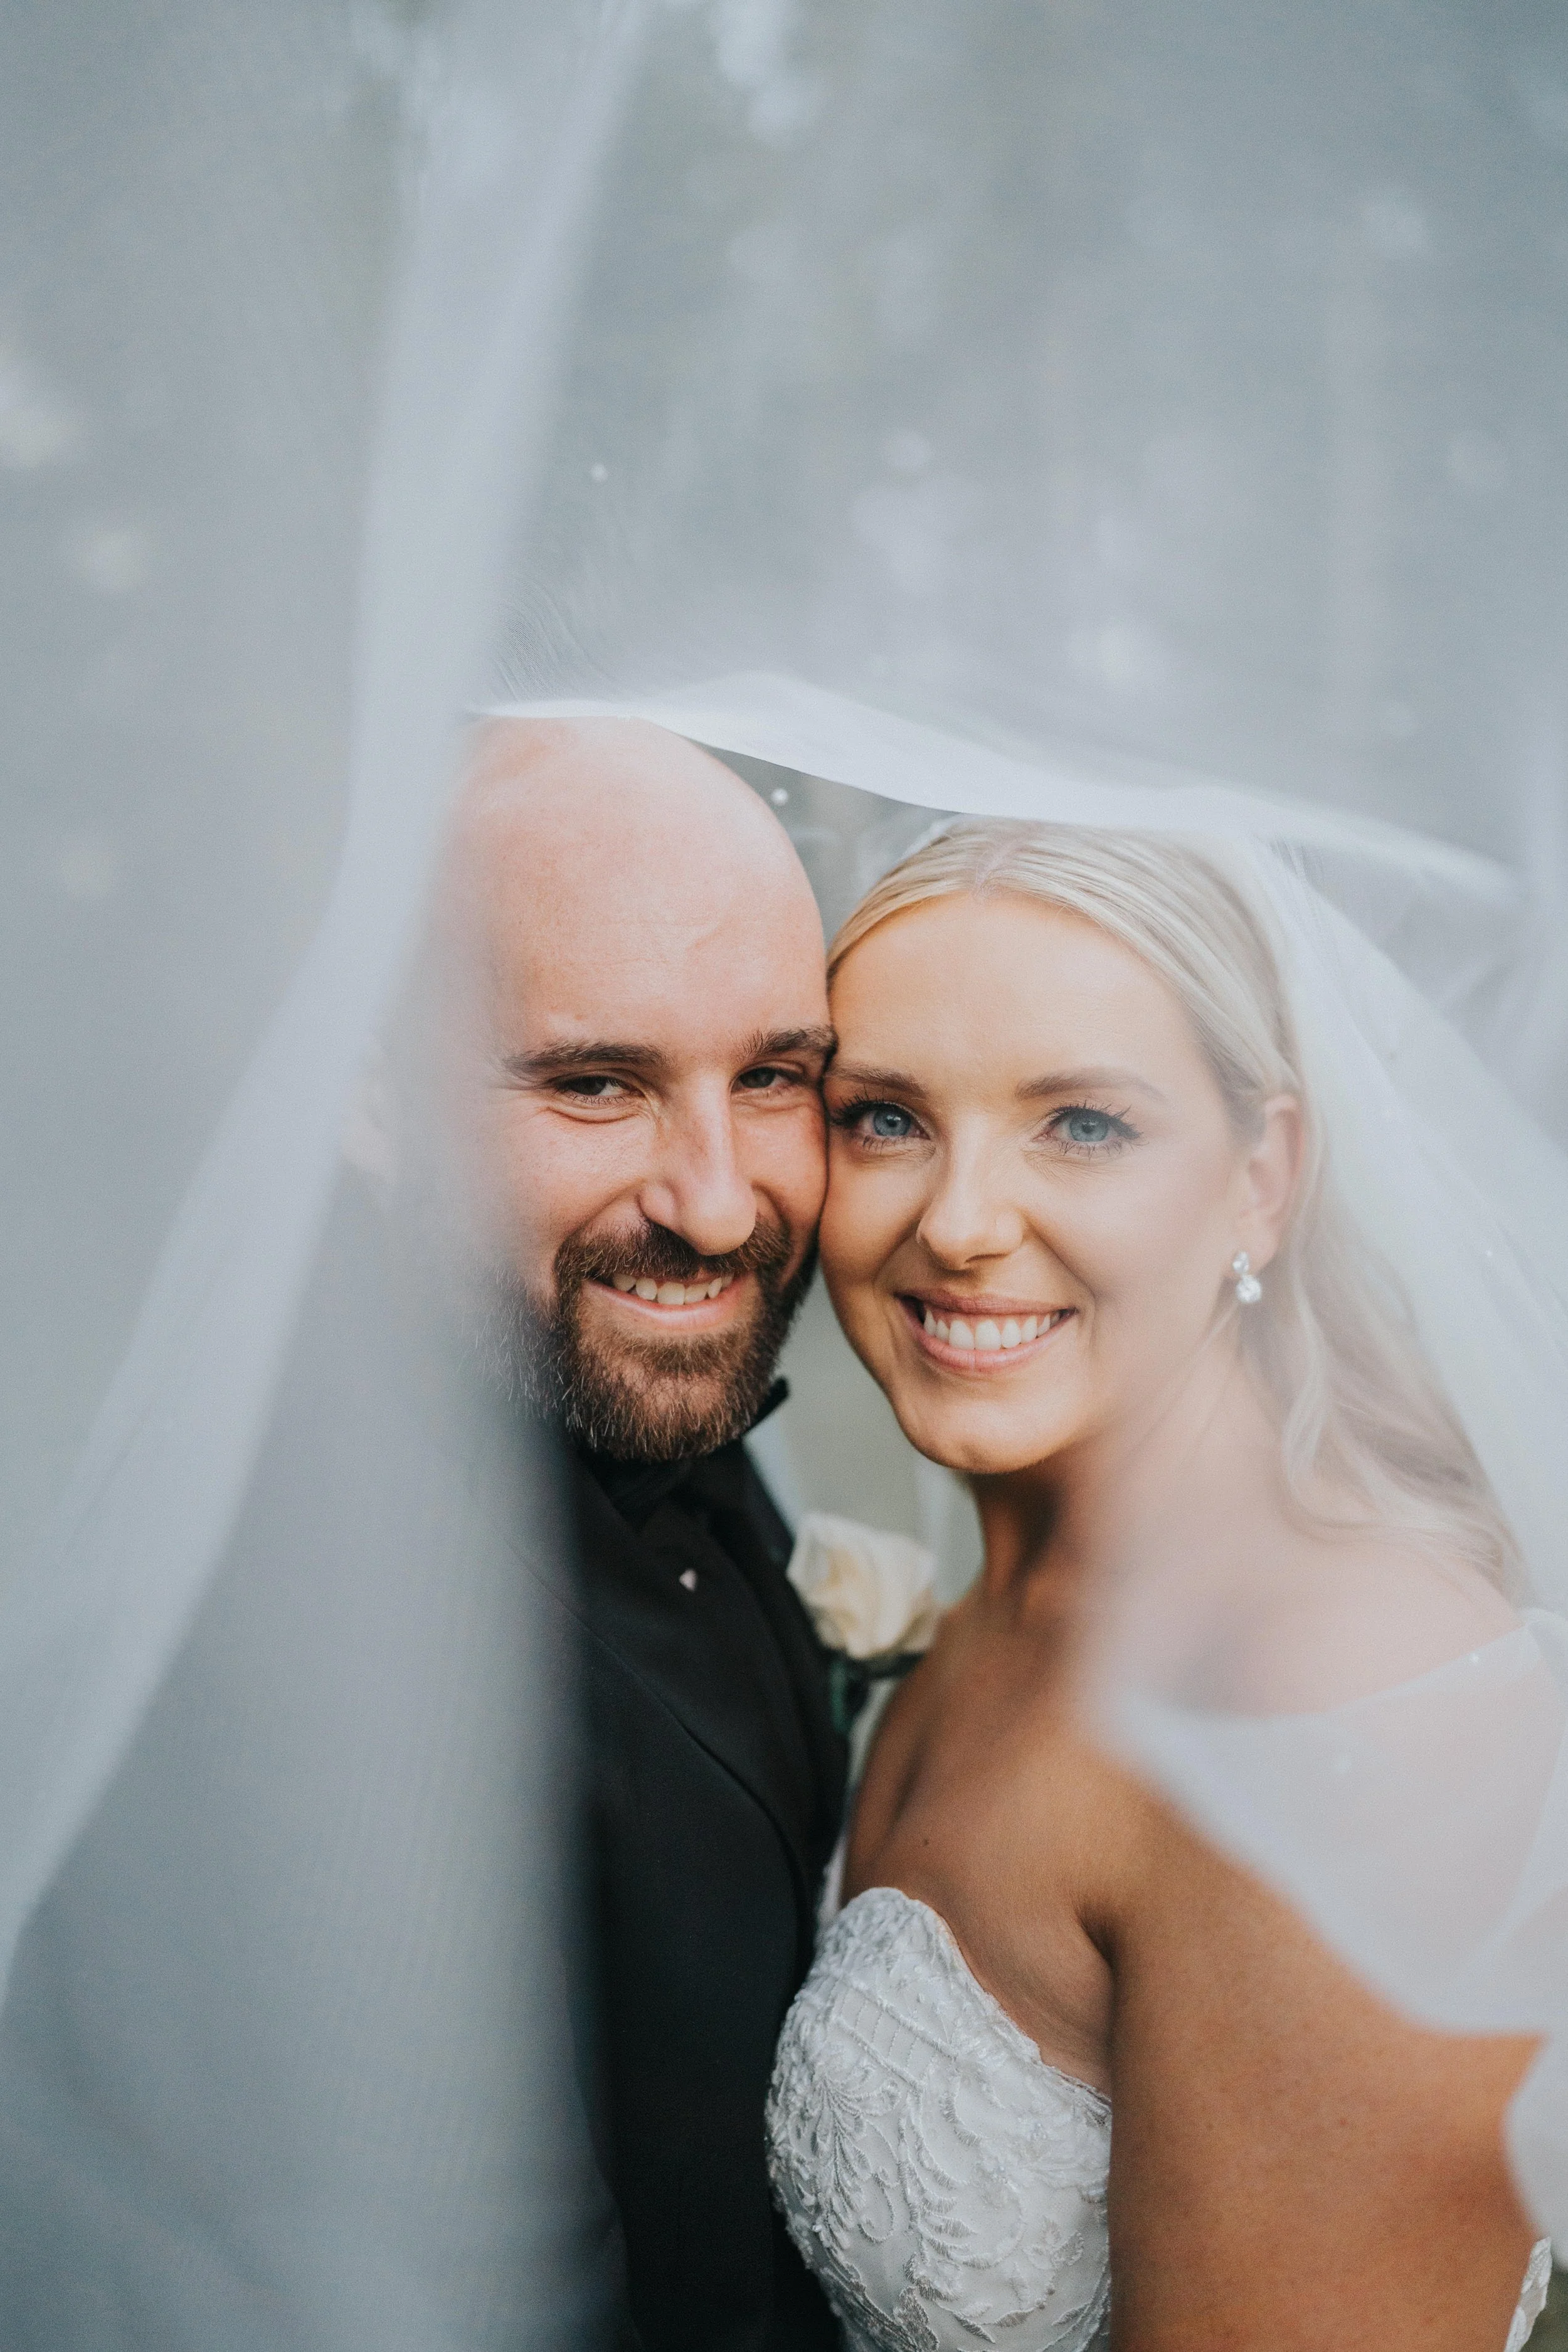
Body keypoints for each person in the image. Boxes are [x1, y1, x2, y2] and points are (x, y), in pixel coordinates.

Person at [766, 818, 1556, 2352]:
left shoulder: (1325, 1710)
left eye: (1080, 1125)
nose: (960, 1222)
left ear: (1262, 1179)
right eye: (882, 1119)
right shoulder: (1012, 1587)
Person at [423, 718, 849, 2351]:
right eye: (593, 1082)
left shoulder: (635, 1394)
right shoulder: (347, 1670)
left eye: (773, 1077)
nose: (719, 1196)